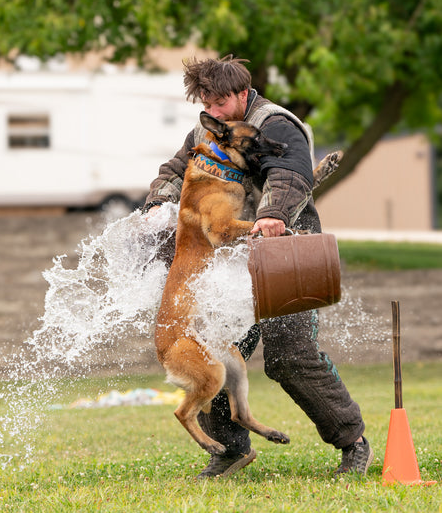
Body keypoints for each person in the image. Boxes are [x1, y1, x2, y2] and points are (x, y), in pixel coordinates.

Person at [143, 55, 373, 479]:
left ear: (242, 94)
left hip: (284, 250)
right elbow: (176, 170)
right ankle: (230, 452)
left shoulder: (276, 124)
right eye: (205, 103)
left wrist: (274, 214)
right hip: (230, 264)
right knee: (212, 350)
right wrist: (157, 202)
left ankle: (353, 441)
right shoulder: (207, 130)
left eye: (219, 103)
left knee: (289, 356)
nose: (212, 111)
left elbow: (289, 174)